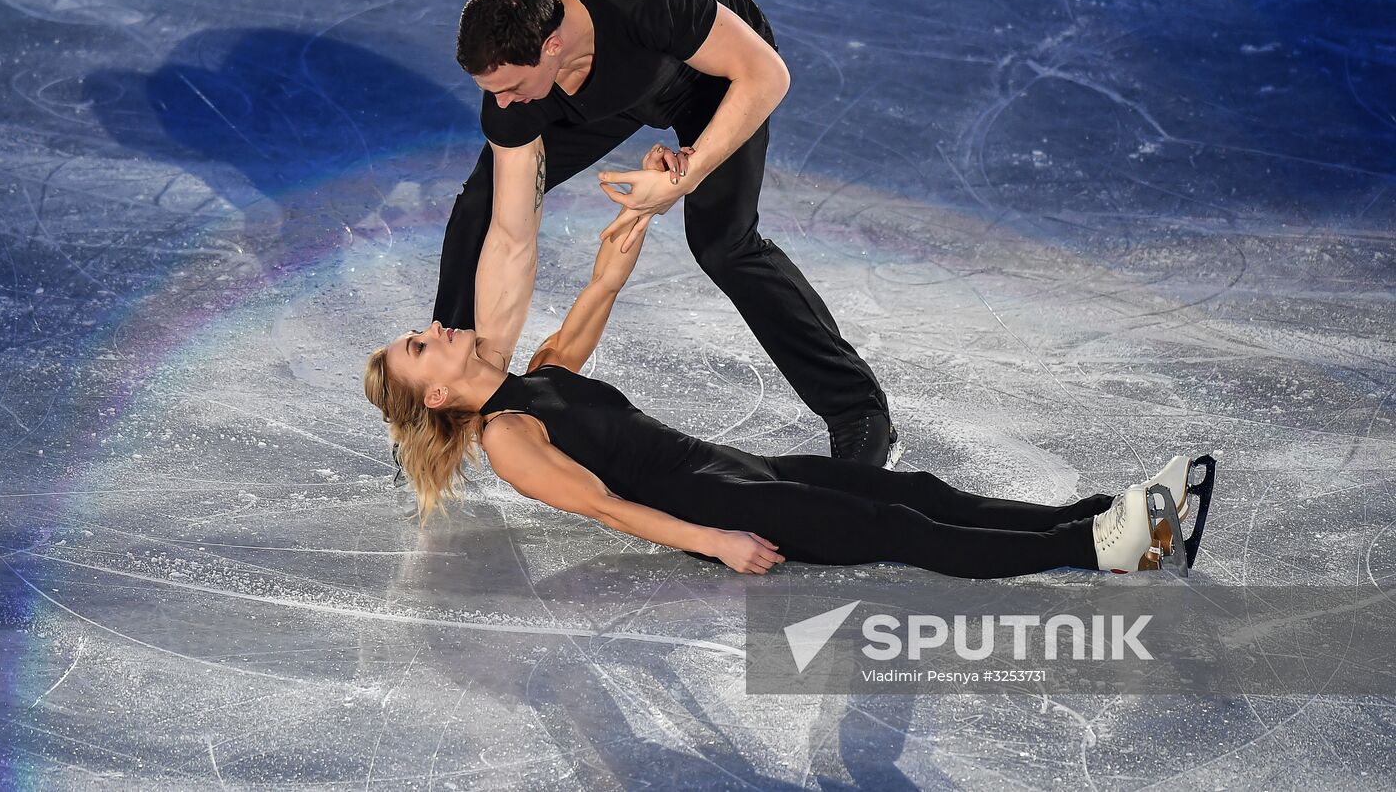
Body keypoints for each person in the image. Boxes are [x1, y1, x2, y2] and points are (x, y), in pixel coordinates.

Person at [366, 169, 1210, 577]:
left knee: (914, 488)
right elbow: (609, 507)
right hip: (723, 505)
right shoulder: (509, 436)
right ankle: (1106, 547)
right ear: (435, 394)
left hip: (742, 470)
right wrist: (719, 543)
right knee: (900, 533)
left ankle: (1099, 514)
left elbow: (606, 273)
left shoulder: (541, 373)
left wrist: (649, 198)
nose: (436, 326)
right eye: (420, 343)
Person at [434, 0, 899, 467]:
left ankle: (857, 412)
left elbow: (767, 75)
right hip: (610, 90)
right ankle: (445, 401)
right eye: (491, 90)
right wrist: (487, 378)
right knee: (480, 207)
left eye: (511, 87)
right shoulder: (516, 91)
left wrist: (684, 177)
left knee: (723, 244)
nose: (501, 103)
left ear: (551, 46)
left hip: (717, 75)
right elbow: (512, 238)